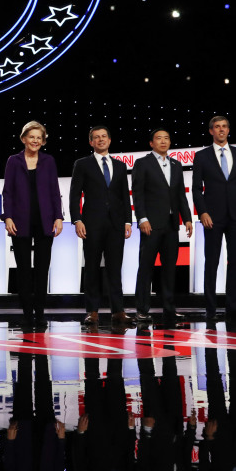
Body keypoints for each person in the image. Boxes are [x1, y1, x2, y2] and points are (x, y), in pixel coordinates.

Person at [68, 126, 134, 329]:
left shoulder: (120, 166)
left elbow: (125, 196)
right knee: (92, 268)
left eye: (104, 136)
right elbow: (74, 194)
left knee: (115, 268)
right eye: (96, 137)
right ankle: (92, 312)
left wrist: (127, 221)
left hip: (115, 224)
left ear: (109, 140)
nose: (100, 140)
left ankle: (118, 311)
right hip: (92, 224)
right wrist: (77, 220)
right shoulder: (82, 164)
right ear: (91, 142)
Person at [0, 121, 64, 328]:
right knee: (24, 270)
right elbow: (7, 191)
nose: (35, 140)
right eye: (32, 137)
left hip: (45, 221)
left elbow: (55, 190)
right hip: (20, 222)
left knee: (42, 269)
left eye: (39, 137)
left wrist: (58, 217)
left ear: (43, 141)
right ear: (24, 139)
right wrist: (7, 216)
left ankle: (40, 313)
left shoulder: (49, 161)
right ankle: (27, 314)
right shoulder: (13, 161)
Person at [191, 116, 236, 321]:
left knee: (235, 262)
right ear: (211, 131)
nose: (221, 130)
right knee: (212, 262)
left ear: (228, 130)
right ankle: (210, 309)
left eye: (224, 126)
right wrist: (203, 212)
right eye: (217, 127)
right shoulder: (201, 156)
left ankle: (233, 307)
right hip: (213, 217)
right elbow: (196, 188)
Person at [131, 128, 193, 325]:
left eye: (167, 138)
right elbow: (138, 194)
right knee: (146, 267)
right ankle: (141, 309)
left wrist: (188, 218)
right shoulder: (142, 163)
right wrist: (142, 218)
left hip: (171, 224)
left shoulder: (176, 164)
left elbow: (181, 196)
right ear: (151, 143)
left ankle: (169, 308)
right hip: (151, 224)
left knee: (169, 269)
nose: (163, 141)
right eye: (159, 138)